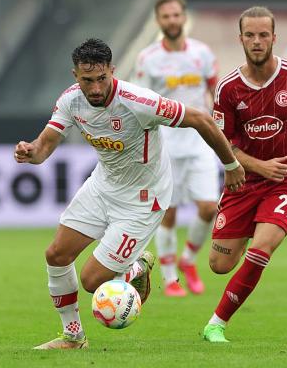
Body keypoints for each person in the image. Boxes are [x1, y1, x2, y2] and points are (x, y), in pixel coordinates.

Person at [14, 38, 245, 350]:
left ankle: (136, 266)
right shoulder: (71, 101)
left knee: (92, 281)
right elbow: (44, 147)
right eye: (87, 80)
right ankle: (73, 336)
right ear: (75, 76)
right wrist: (30, 152)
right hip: (103, 186)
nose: (95, 89)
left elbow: (201, 119)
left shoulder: (139, 101)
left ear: (113, 71)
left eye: (101, 79)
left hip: (143, 199)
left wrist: (230, 164)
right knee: (56, 255)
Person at [202, 7, 287, 342]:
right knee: (218, 264)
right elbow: (224, 144)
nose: (257, 42)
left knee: (261, 252)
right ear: (240, 39)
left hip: (286, 181)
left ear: (274, 37)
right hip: (243, 182)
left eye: (263, 35)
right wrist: (258, 166)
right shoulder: (228, 89)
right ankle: (248, 234)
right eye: (250, 35)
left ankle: (216, 323)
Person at [133, 0, 219, 297]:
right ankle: (170, 277)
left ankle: (188, 261)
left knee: (209, 207)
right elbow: (140, 100)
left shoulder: (203, 53)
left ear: (184, 17)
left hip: (200, 140)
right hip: (165, 141)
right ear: (159, 21)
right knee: (166, 212)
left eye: (175, 15)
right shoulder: (148, 58)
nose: (171, 20)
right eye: (165, 16)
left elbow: (214, 92)